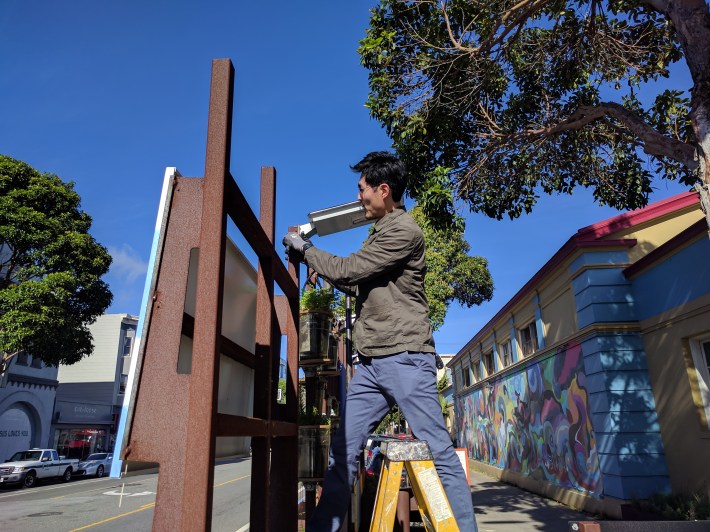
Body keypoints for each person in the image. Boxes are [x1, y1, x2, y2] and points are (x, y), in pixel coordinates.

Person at [283, 151, 477, 532]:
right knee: (342, 453)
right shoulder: (381, 235)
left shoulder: (405, 231)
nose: (359, 198)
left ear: (383, 190)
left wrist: (306, 250)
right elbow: (354, 279)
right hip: (371, 364)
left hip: (406, 357)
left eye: (362, 190)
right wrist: (314, 264)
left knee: (438, 452)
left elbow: (351, 268)